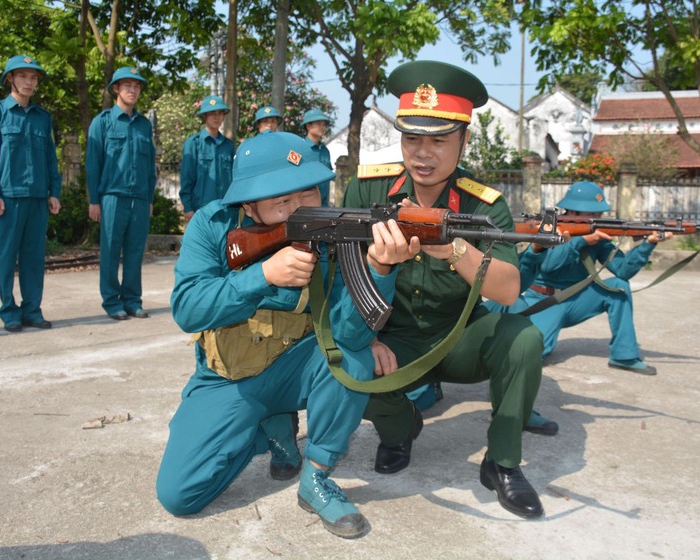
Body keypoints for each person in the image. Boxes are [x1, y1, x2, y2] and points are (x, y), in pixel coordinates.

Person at [155, 131, 416, 539]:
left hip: (296, 367)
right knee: (179, 494)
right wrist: (262, 276)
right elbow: (188, 309)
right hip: (229, 377)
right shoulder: (212, 225)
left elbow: (348, 330)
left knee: (354, 357)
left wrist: (380, 270)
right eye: (282, 200)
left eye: (309, 193)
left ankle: (316, 477)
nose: (300, 207)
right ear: (248, 202)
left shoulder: (334, 231)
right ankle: (268, 429)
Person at [342, 60, 546, 519]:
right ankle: (399, 431)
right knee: (347, 355)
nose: (423, 153)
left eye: (439, 140)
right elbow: (342, 271)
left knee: (523, 338)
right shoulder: (366, 189)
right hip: (392, 339)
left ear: (464, 140)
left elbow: (510, 289)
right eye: (413, 138)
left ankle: (502, 464)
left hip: (458, 338)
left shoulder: (483, 205)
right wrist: (367, 336)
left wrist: (453, 249)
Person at [485, 181, 671, 375]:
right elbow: (549, 265)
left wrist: (648, 243)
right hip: (544, 301)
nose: (598, 219)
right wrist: (580, 241)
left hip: (575, 300)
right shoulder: (552, 229)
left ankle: (624, 355)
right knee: (535, 353)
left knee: (619, 286)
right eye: (592, 214)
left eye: (599, 214)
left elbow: (622, 270)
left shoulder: (596, 234)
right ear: (572, 213)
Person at [0, 55, 62, 333]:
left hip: (37, 198)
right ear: (10, 78)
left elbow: (51, 159)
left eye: (33, 77)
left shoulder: (42, 117)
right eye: (23, 75)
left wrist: (54, 192)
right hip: (7, 198)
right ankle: (9, 310)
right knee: (5, 258)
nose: (29, 81)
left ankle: (32, 310)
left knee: (34, 258)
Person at [85, 67, 157, 321]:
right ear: (116, 89)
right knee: (110, 251)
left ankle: (133, 300)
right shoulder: (102, 122)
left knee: (135, 252)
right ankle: (111, 301)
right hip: (112, 197)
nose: (132, 90)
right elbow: (93, 164)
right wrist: (94, 199)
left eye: (136, 86)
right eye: (127, 85)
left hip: (138, 199)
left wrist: (149, 198)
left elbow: (150, 166)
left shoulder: (143, 125)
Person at [179, 95, 235, 223]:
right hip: (200, 210)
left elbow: (233, 179)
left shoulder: (229, 146)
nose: (217, 117)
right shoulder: (193, 144)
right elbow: (186, 178)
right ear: (204, 116)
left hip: (225, 210)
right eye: (212, 113)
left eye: (220, 113)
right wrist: (188, 208)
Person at [300, 108, 333, 205]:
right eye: (318, 124)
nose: (322, 127)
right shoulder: (301, 149)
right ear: (308, 125)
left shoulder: (325, 150)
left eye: (324, 124)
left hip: (324, 205)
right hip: (306, 205)